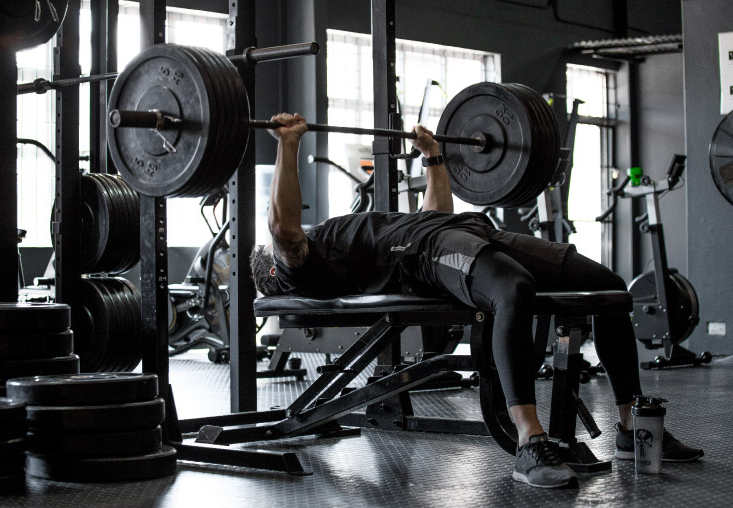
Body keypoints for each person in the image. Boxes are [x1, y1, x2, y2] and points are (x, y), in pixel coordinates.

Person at [250, 112, 703, 489]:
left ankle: (632, 427)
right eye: (277, 252)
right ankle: (530, 442)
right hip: (425, 256)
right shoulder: (294, 268)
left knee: (608, 288)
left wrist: (434, 158)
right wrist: (288, 145)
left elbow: (436, 214)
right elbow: (284, 229)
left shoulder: (338, 235)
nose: (288, 241)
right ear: (273, 271)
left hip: (464, 230)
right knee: (512, 289)